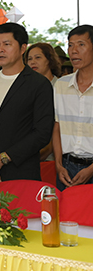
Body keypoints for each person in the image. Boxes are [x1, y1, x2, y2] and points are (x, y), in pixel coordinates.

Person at [0, 23, 54, 186]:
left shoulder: (38, 84)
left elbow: (42, 133)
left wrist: (2, 159)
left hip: (21, 174)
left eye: (7, 44)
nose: (0, 50)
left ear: (22, 48)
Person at [53, 25, 93, 189]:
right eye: (70, 45)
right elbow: (57, 126)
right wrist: (58, 164)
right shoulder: (61, 85)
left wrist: (91, 169)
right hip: (66, 167)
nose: (74, 51)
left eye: (81, 44)